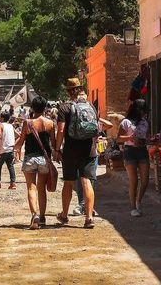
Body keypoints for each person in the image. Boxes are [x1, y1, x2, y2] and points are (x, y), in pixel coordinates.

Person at [55, 78, 98, 229]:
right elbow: (96, 128)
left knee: (69, 182)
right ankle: (89, 217)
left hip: (70, 151)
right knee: (86, 181)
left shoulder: (64, 108)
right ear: (80, 89)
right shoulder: (90, 106)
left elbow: (60, 130)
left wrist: (56, 149)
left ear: (68, 90)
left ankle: (64, 215)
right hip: (88, 150)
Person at [13, 96, 55, 229]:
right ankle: (42, 217)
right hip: (44, 159)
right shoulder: (50, 123)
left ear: (32, 108)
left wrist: (15, 147)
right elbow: (53, 143)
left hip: (30, 158)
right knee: (41, 188)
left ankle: (34, 215)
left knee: (31, 187)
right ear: (45, 108)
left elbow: (21, 141)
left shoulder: (27, 123)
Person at [118, 99, 150, 217]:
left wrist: (147, 140)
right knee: (134, 181)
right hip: (130, 151)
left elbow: (147, 137)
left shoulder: (145, 122)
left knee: (145, 181)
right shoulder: (126, 122)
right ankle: (133, 208)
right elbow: (118, 138)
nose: (144, 113)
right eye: (143, 110)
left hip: (142, 150)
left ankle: (139, 200)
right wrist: (130, 138)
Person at [0, 112, 16, 189]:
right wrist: (14, 144)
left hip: (3, 149)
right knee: (10, 166)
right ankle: (13, 183)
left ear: (2, 118)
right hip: (10, 149)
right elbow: (18, 135)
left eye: (0, 117)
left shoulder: (0, 125)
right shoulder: (11, 126)